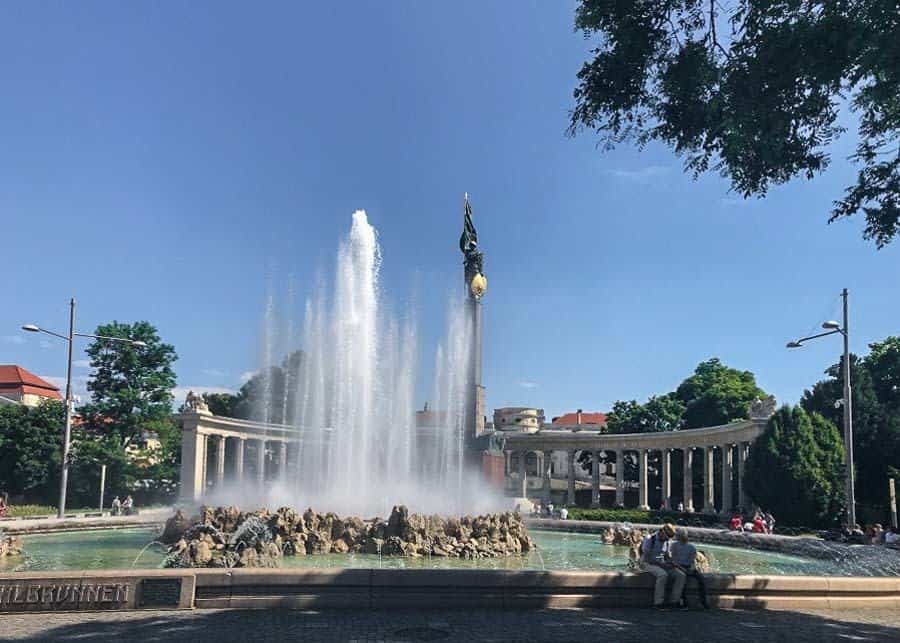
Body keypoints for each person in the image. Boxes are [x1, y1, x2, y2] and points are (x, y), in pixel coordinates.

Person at [639, 522, 685, 609]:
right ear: (662, 532)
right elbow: (648, 558)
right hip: (647, 563)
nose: (667, 540)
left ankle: (674, 601)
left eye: (669, 538)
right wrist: (662, 565)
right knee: (663, 575)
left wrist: (672, 563)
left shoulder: (667, 541)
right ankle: (658, 603)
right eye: (666, 537)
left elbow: (667, 555)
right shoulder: (649, 539)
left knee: (681, 575)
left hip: (661, 563)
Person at [670, 529, 709, 609]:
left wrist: (691, 568)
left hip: (688, 567)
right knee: (682, 579)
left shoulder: (691, 547)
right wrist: (681, 568)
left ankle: (703, 601)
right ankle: (683, 601)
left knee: (701, 579)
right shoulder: (674, 546)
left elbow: (692, 562)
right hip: (678, 566)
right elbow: (673, 560)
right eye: (680, 536)